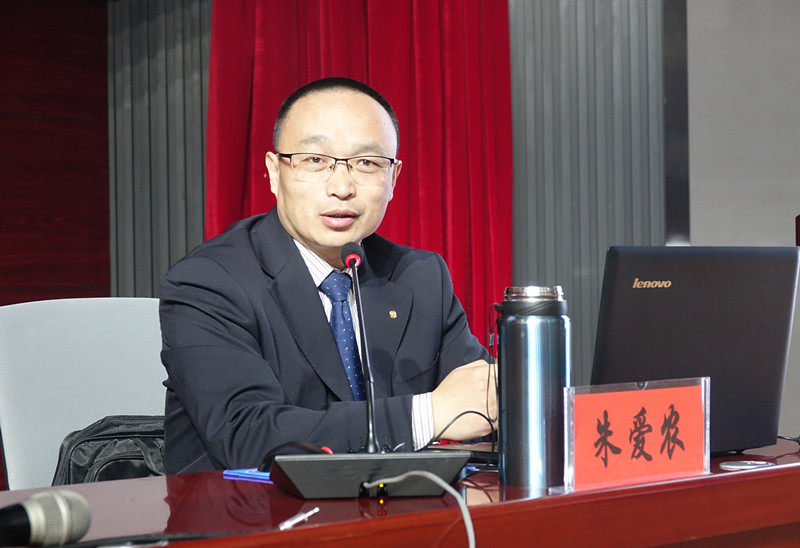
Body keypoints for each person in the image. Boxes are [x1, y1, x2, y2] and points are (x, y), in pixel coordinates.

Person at [159, 77, 496, 475]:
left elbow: (484, 401)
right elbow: (248, 436)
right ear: (274, 172)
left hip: (400, 507)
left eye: (367, 163)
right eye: (315, 160)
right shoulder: (207, 282)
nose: (341, 187)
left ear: (393, 179)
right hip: (249, 509)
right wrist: (428, 413)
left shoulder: (420, 279)